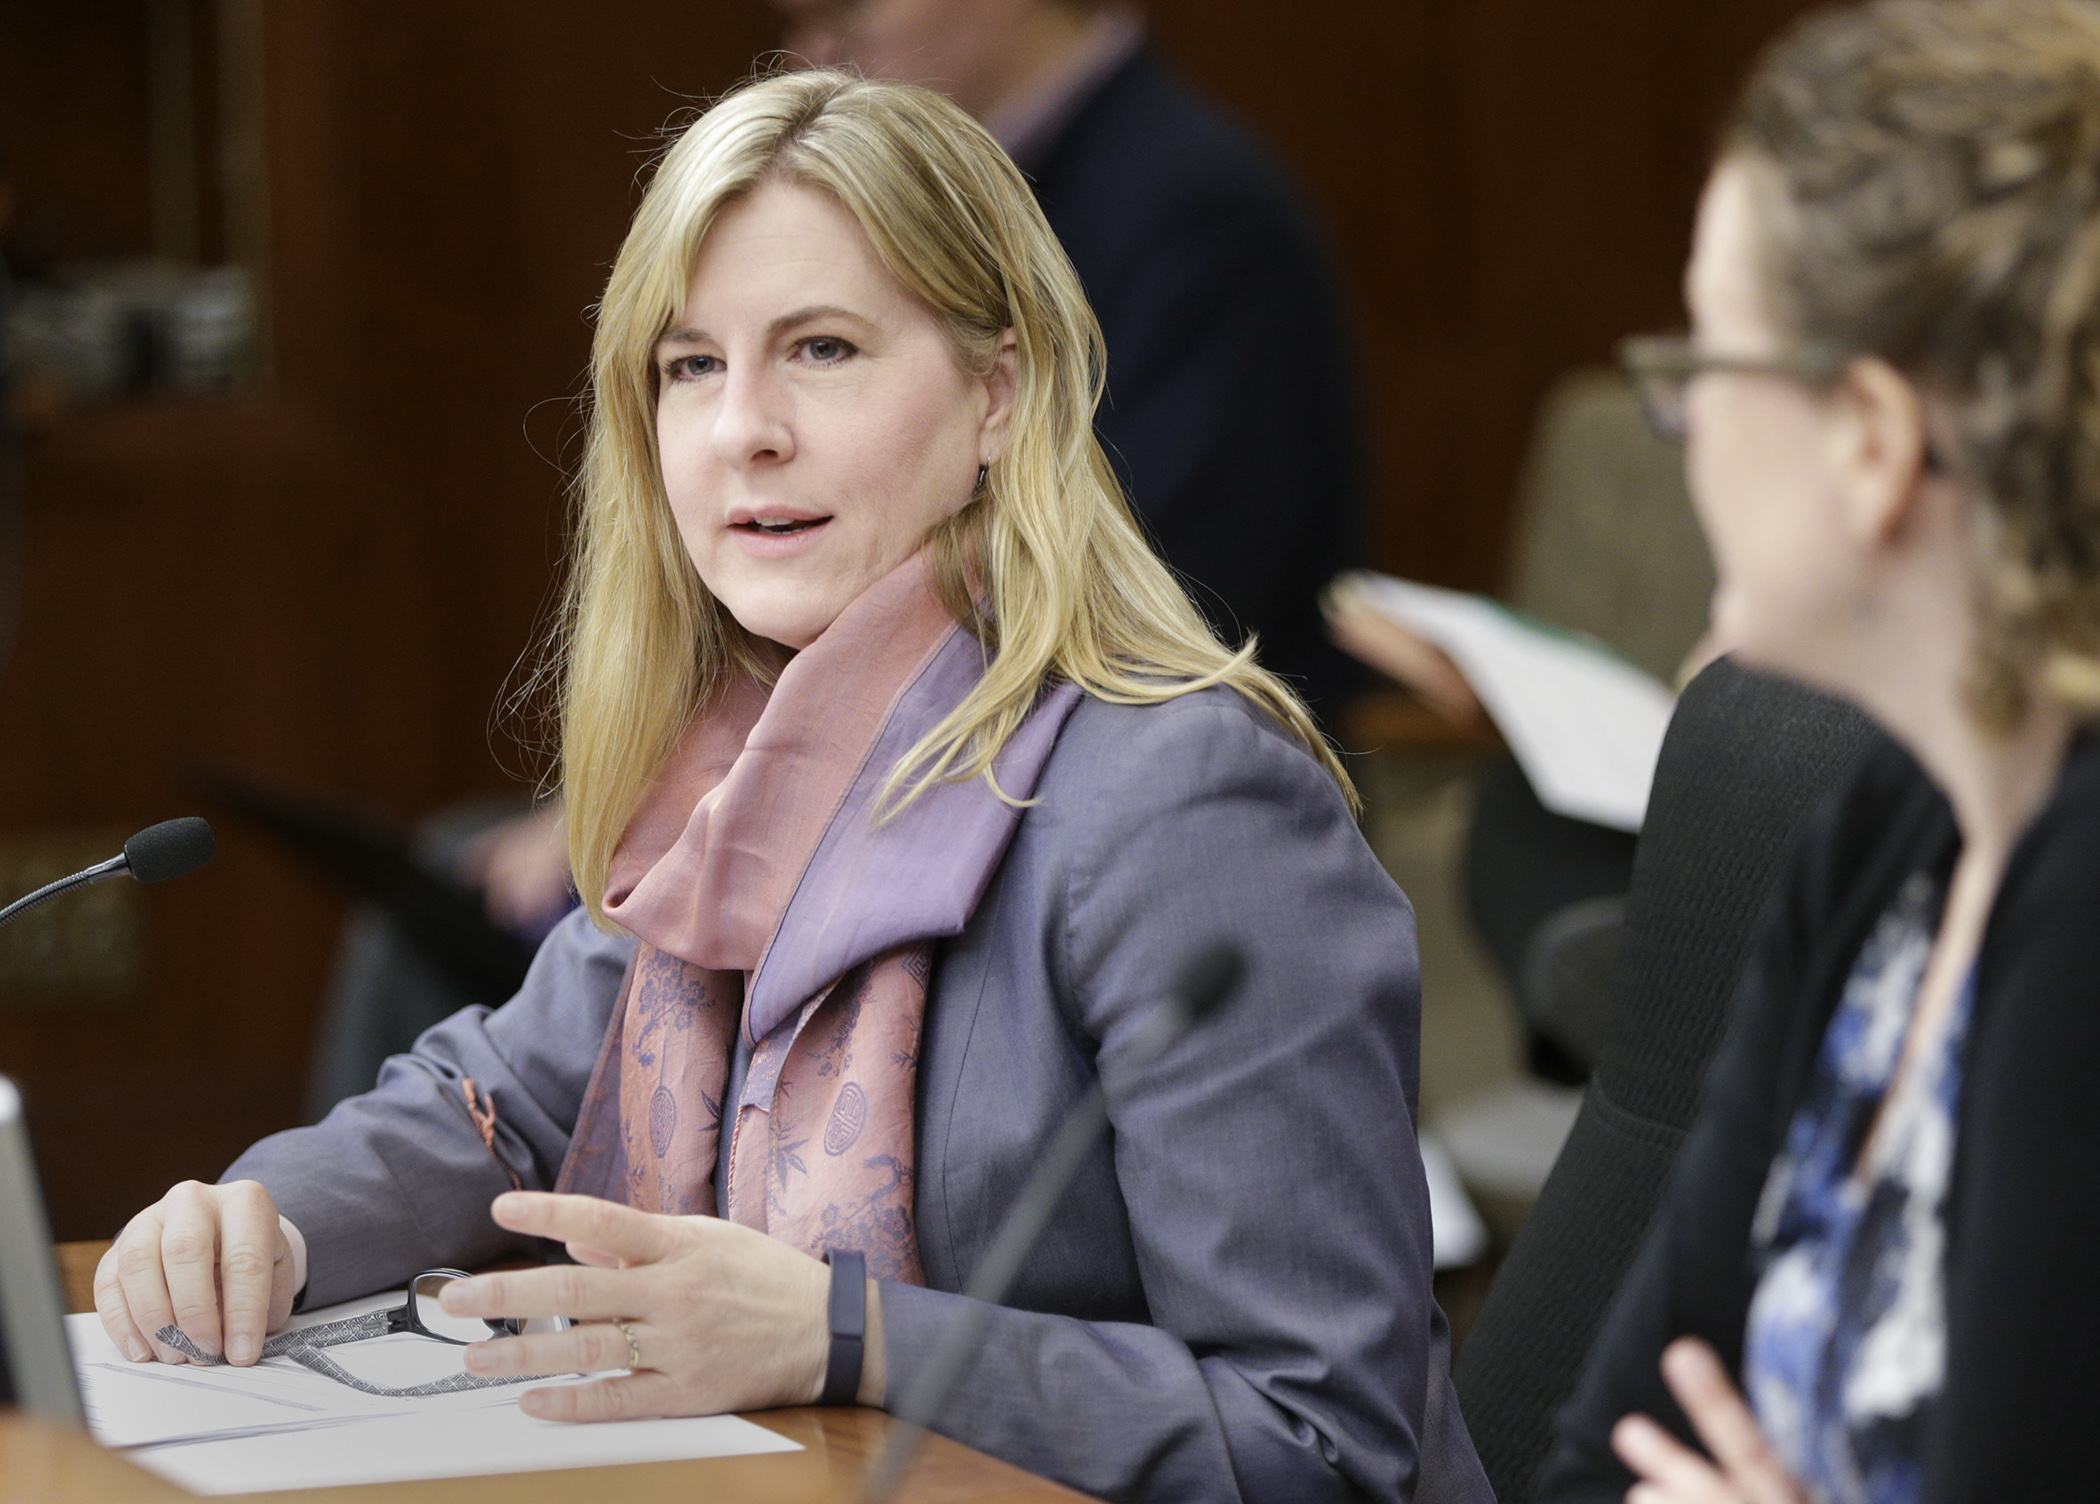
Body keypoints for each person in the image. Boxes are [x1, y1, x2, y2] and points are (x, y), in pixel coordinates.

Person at [93, 71, 1488, 1504]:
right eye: (690, 364)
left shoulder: (1188, 806)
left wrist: (836, 1333)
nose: (740, 428)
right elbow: (493, 1096)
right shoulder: (751, 753)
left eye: (820, 350)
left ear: (1000, 394)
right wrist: (261, 1218)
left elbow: (1326, 1444)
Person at [1539, 3, 2100, 1500]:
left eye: (1705, 361)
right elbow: (1607, 1456)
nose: (1679, 424)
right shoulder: (1877, 826)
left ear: (1870, 433)